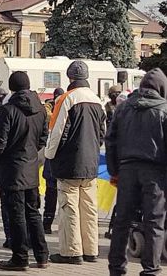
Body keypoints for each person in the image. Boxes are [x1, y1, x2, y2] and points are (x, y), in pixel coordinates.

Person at [105, 68, 167, 276]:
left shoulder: (123, 108)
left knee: (122, 221)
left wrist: (114, 171)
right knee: (154, 223)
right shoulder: (164, 110)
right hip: (155, 173)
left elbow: (111, 140)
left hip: (127, 170)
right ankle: (151, 269)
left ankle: (116, 267)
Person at [45, 60, 106, 264]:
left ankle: (72, 252)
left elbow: (57, 131)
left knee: (69, 208)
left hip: (70, 163)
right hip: (91, 163)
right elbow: (101, 133)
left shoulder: (66, 99)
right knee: (89, 208)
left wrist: (50, 155)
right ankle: (91, 250)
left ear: (70, 77)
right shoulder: (97, 100)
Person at [0, 72, 49, 270]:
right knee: (33, 212)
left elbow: (0, 141)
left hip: (12, 169)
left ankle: (20, 257)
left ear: (12, 88)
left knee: (16, 214)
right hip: (32, 167)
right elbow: (43, 137)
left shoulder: (8, 110)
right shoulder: (41, 109)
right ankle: (42, 255)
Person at [42, 87, 64, 234]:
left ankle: (48, 223)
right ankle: (47, 223)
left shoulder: (62, 110)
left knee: (54, 194)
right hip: (54, 159)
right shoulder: (48, 109)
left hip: (54, 158)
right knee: (52, 194)